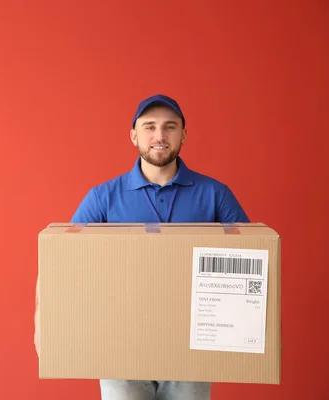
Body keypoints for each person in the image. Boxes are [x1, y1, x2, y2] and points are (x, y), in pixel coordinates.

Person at [34, 94, 250, 400]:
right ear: (134, 135)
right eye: (149, 127)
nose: (159, 136)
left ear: (183, 134)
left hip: (190, 346)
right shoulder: (103, 197)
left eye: (169, 127)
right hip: (119, 346)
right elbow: (60, 260)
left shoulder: (214, 194)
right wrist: (42, 323)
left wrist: (261, 330)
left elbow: (254, 258)